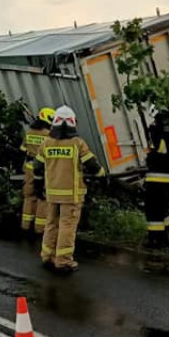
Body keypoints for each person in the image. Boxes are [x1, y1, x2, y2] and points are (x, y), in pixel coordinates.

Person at [33, 106, 105, 273]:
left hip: (51, 193)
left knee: (51, 223)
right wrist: (103, 175)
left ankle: (47, 256)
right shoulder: (77, 143)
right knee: (67, 226)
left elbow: (36, 167)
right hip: (71, 195)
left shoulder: (47, 143)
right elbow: (93, 166)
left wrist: (38, 185)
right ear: (73, 123)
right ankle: (64, 261)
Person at [144, 110, 169, 249]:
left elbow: (157, 148)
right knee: (163, 205)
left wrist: (152, 131)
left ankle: (155, 239)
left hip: (158, 175)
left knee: (153, 208)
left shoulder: (161, 131)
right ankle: (165, 234)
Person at [20, 107, 55, 235]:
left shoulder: (29, 133)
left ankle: (25, 225)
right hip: (44, 169)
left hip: (29, 168)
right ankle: (39, 229)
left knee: (29, 196)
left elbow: (23, 149)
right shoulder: (49, 135)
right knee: (43, 198)